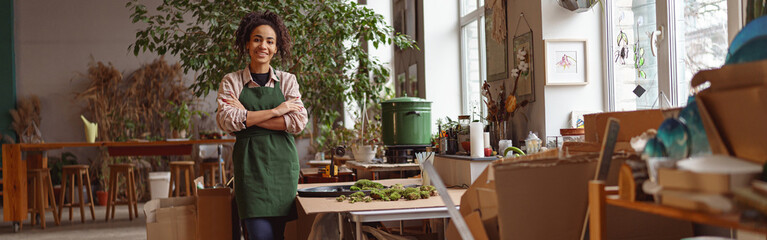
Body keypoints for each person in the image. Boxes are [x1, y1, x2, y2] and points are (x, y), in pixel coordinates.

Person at [216, 10, 308, 240]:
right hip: (250, 170)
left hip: (282, 169)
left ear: (276, 48)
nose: (262, 46)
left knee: (278, 235)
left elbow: (297, 122)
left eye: (269, 41)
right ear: (247, 43)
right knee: (259, 236)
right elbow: (227, 120)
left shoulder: (288, 80)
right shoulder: (232, 81)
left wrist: (247, 116)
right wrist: (277, 111)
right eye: (257, 39)